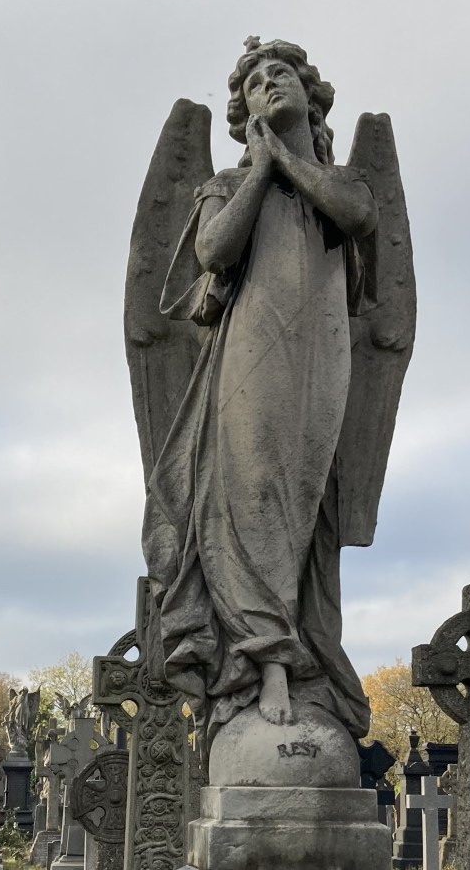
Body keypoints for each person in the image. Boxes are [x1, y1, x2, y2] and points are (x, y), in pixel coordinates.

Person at [142, 38, 379, 744]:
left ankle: (301, 647)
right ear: (241, 116)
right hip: (250, 349)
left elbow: (359, 219)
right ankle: (268, 662)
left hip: (321, 349)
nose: (268, 84)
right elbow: (214, 252)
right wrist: (259, 166)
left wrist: (288, 160)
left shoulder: (346, 183)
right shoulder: (222, 182)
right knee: (248, 492)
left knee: (304, 498)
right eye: (253, 85)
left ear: (311, 95)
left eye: (281, 76)